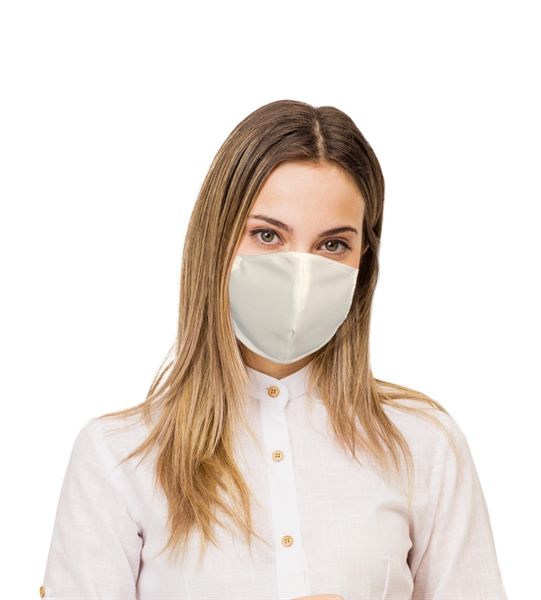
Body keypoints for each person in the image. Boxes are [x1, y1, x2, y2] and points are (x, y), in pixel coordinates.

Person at [39, 99, 508, 600]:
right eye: (267, 235)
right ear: (217, 242)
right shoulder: (118, 457)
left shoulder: (424, 444)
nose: (300, 272)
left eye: (332, 245)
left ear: (362, 262)